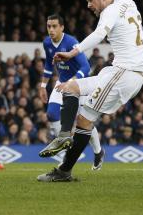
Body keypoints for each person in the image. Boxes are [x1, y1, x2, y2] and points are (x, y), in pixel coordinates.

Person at [38, 0, 143, 182]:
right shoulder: (126, 1)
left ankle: (64, 171)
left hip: (125, 74)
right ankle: (64, 135)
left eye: (91, 0)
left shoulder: (109, 11)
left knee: (84, 121)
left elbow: (99, 34)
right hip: (118, 70)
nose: (89, 5)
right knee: (68, 87)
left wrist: (73, 52)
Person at [38, 14, 105, 171]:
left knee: (83, 120)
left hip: (78, 84)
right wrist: (43, 86)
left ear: (62, 27)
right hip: (61, 83)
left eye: (54, 26)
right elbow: (49, 63)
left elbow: (86, 67)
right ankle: (64, 145)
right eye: (49, 26)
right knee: (51, 114)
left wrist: (71, 83)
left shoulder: (71, 42)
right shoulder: (47, 42)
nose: (51, 30)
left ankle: (98, 152)